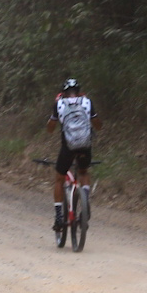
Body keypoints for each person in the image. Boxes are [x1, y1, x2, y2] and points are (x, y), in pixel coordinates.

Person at [49, 78, 95, 232]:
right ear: (79, 91)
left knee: (59, 179)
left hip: (67, 148)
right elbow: (99, 125)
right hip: (85, 147)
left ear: (63, 93)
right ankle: (85, 199)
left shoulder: (59, 104)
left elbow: (50, 128)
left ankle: (58, 217)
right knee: (83, 171)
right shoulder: (87, 102)